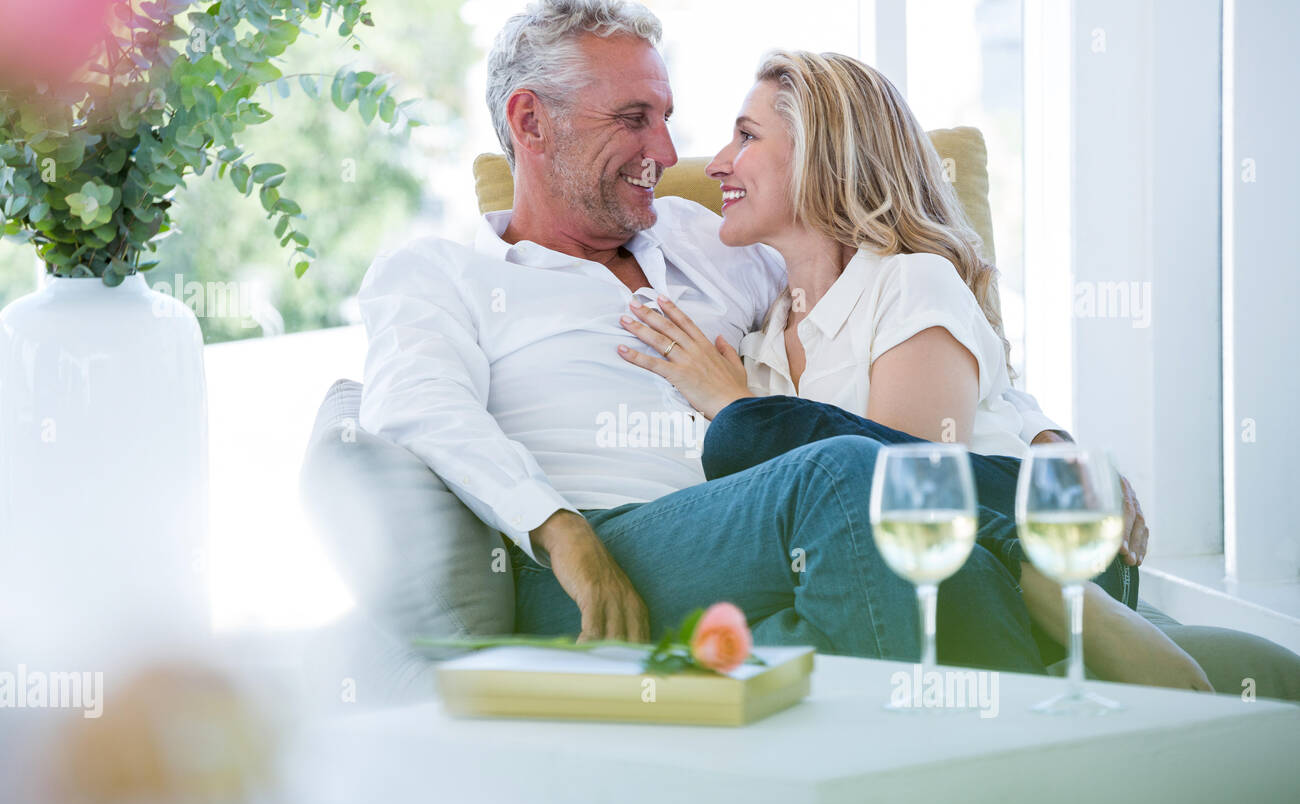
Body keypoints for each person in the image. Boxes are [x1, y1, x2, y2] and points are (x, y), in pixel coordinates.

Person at [358, 0, 1114, 674]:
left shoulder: (709, 242)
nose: (664, 152)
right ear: (530, 122)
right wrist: (561, 533)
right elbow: (416, 409)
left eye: (664, 116)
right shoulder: (439, 274)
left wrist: (1046, 441)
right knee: (843, 478)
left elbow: (877, 303)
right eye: (632, 119)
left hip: (768, 544)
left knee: (918, 546)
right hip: (591, 569)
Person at [611, 49, 1216, 689]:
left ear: (823, 155)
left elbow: (908, 499)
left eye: (747, 136)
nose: (717, 165)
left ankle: (1047, 574)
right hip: (959, 567)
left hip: (985, 564)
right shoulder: (758, 344)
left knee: (772, 446)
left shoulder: (908, 284)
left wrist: (741, 413)